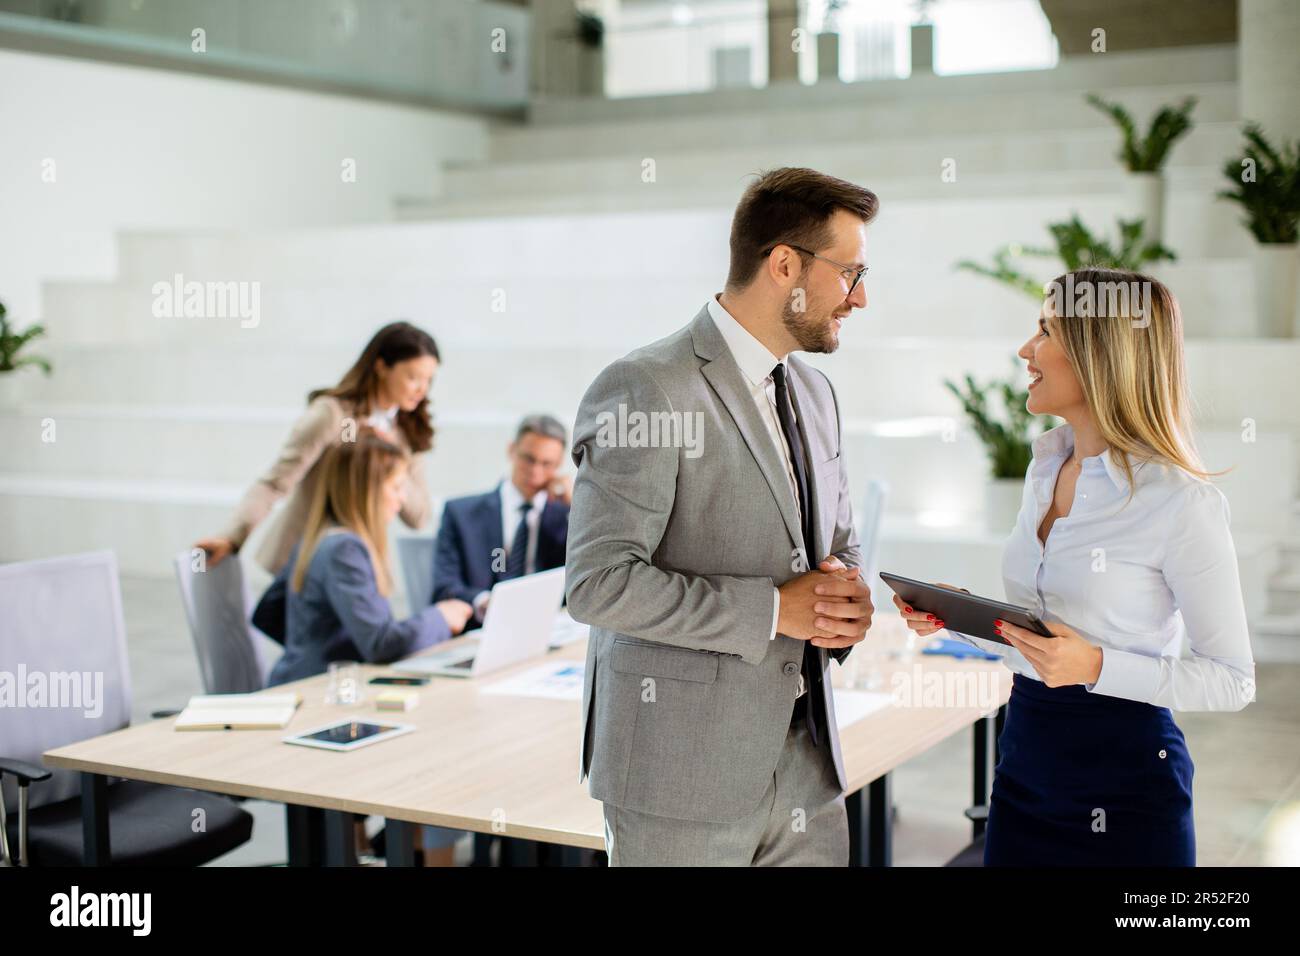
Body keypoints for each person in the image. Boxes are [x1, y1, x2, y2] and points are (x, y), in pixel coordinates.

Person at [566, 167, 878, 866]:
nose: (861, 297)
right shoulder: (645, 387)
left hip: (808, 768)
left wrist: (844, 601)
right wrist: (772, 611)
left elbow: (839, 546)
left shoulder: (816, 392)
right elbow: (598, 583)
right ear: (785, 265)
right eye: (850, 274)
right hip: (679, 777)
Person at [895, 268, 1256, 867]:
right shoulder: (1045, 470)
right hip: (1025, 767)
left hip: (1130, 788)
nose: (1024, 350)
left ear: (1100, 354)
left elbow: (1232, 679)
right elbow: (1044, 641)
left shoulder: (1181, 502)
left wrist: (1095, 666)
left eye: (1045, 330)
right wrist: (957, 615)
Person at [266, 430, 473, 866]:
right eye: (395, 487)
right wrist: (443, 615)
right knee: (439, 753)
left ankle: (395, 847)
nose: (400, 500)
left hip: (325, 691)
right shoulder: (344, 547)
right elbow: (380, 642)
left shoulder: (326, 537)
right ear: (366, 490)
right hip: (316, 703)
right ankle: (413, 851)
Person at [195, 321, 440, 575]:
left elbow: (419, 517)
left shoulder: (408, 432)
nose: (422, 390)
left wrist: (392, 455)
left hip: (358, 565)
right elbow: (276, 482)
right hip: (304, 559)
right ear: (381, 367)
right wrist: (232, 537)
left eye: (429, 380)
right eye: (413, 377)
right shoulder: (332, 414)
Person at [433, 414, 571, 628]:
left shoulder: (566, 517)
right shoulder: (461, 514)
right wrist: (485, 603)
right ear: (512, 450)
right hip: (479, 629)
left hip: (544, 629)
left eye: (547, 464)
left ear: (559, 465)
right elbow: (444, 587)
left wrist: (577, 505)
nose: (536, 472)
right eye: (528, 459)